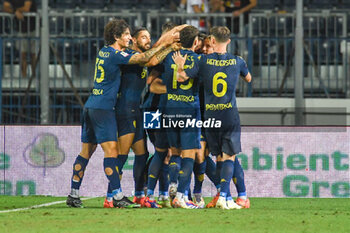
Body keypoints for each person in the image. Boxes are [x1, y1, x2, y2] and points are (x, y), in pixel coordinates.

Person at [66, 19, 177, 208]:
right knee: (113, 153)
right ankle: (115, 197)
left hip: (93, 104)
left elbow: (146, 59)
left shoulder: (104, 52)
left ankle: (74, 193)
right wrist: (167, 43)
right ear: (116, 37)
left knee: (87, 151)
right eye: (126, 35)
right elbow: (144, 59)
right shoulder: (117, 54)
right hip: (105, 109)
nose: (128, 38)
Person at [172, 26, 252, 209]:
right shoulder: (237, 61)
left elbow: (182, 77)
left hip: (209, 115)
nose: (207, 47)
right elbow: (248, 78)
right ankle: (224, 196)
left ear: (213, 41)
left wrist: (179, 65)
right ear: (229, 41)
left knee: (221, 157)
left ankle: (230, 196)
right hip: (228, 113)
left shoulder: (202, 61)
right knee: (226, 156)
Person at [3, 0, 37, 77]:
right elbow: (5, 8)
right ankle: (24, 76)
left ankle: (34, 76)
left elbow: (26, 8)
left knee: (33, 54)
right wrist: (15, 11)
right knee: (22, 54)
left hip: (34, 29)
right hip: (21, 29)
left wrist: (15, 10)